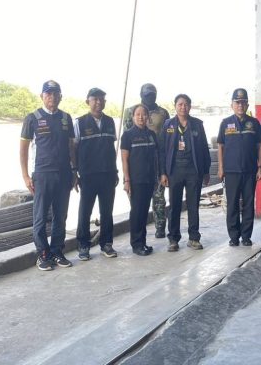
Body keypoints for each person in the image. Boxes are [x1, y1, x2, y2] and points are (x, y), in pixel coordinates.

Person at [20, 80, 77, 271]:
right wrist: (25, 176)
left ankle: (57, 251)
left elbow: (71, 146)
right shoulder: (32, 118)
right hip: (42, 174)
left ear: (61, 96)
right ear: (42, 96)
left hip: (64, 174)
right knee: (40, 217)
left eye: (55, 94)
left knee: (61, 216)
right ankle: (43, 254)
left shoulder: (66, 118)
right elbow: (23, 149)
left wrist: (74, 171)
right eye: (48, 94)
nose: (52, 97)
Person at [160, 94, 211, 252]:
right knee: (174, 206)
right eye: (180, 104)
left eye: (186, 104)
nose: (183, 107)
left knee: (193, 205)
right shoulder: (168, 125)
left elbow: (204, 148)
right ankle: (173, 239)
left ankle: (194, 238)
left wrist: (206, 171)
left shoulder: (197, 124)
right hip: (174, 171)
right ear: (175, 106)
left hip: (193, 171)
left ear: (190, 106)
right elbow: (162, 151)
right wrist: (163, 173)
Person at [74, 87, 118, 261]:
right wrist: (74, 173)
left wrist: (115, 171)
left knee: (107, 211)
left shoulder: (110, 121)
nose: (98, 102)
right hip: (88, 175)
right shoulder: (79, 123)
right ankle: (83, 245)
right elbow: (73, 149)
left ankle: (106, 244)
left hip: (108, 173)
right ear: (88, 102)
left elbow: (111, 149)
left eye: (101, 99)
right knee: (85, 211)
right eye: (95, 99)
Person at [217, 88, 261, 247]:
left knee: (248, 204)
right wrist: (221, 168)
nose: (240, 105)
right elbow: (220, 146)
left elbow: (260, 145)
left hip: (250, 171)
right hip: (231, 171)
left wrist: (260, 166)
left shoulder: (254, 123)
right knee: (232, 205)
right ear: (232, 105)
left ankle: (246, 236)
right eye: (237, 102)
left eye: (243, 102)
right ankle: (233, 236)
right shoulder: (225, 123)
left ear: (247, 105)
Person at [124, 83, 170, 238]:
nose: (150, 97)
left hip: (156, 161)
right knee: (138, 205)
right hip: (137, 164)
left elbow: (168, 136)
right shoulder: (130, 111)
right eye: (147, 95)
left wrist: (164, 169)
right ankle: (138, 235)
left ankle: (160, 227)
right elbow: (127, 140)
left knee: (159, 199)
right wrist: (127, 176)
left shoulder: (163, 113)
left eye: (152, 95)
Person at [121, 104, 160, 256]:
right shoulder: (128, 135)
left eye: (144, 114)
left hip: (149, 179)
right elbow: (124, 160)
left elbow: (156, 157)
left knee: (144, 212)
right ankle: (136, 244)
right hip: (135, 181)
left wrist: (157, 176)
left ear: (148, 117)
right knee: (137, 212)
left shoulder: (151, 135)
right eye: (137, 114)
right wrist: (127, 180)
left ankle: (143, 242)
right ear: (133, 117)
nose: (141, 117)